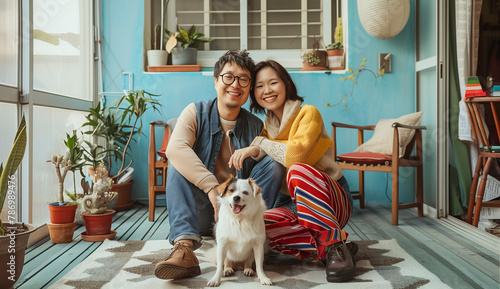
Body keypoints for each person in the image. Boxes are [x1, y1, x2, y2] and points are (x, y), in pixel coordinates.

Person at [154, 51, 286, 280]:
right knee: (176, 164)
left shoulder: (256, 125)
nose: (235, 84)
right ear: (216, 81)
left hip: (241, 213)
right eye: (228, 77)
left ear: (249, 88)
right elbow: (174, 149)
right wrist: (211, 187)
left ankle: (253, 241)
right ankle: (184, 248)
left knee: (274, 164)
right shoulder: (196, 112)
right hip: (202, 211)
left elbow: (276, 159)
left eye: (243, 79)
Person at [228, 60, 356, 282]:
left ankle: (334, 244)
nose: (267, 90)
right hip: (292, 205)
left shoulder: (308, 113)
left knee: (296, 170)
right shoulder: (268, 126)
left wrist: (261, 144)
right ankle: (327, 248)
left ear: (286, 83)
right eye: (259, 86)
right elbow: (259, 153)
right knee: (259, 226)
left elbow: (297, 155)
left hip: (331, 199)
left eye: (273, 82)